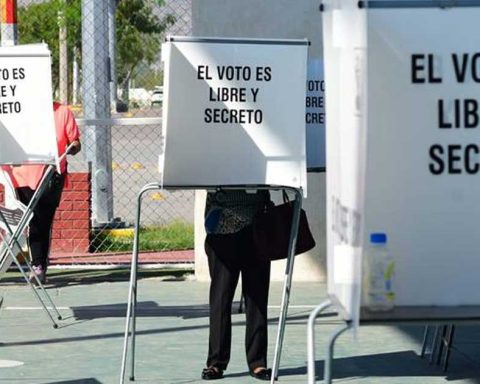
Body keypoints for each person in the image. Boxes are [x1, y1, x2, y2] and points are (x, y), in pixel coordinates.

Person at [202, 189, 272, 381]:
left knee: (257, 297)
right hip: (221, 223)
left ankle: (258, 362)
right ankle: (216, 363)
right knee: (221, 298)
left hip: (257, 221)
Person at [9, 101, 81, 283]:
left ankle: (39, 265)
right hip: (21, 174)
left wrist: (72, 147)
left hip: (51, 175)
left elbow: (75, 142)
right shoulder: (20, 112)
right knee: (30, 221)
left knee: (43, 220)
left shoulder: (62, 112)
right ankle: (37, 263)